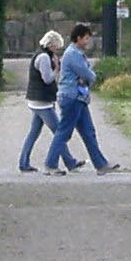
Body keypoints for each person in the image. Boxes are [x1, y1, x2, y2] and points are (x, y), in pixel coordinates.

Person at [53, 20, 114, 173]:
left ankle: (101, 165)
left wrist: (85, 78)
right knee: (64, 132)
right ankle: (50, 164)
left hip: (79, 98)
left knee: (88, 132)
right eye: (86, 38)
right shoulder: (73, 54)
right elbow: (89, 74)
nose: (88, 42)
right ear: (78, 38)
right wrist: (87, 77)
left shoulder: (77, 54)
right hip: (72, 97)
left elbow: (86, 75)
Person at [18, 29, 78, 173]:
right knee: (59, 132)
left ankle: (24, 163)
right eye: (56, 46)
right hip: (42, 102)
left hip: (36, 101)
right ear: (51, 44)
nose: (56, 49)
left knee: (34, 133)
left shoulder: (39, 55)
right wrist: (56, 68)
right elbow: (48, 79)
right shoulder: (44, 57)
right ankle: (68, 162)